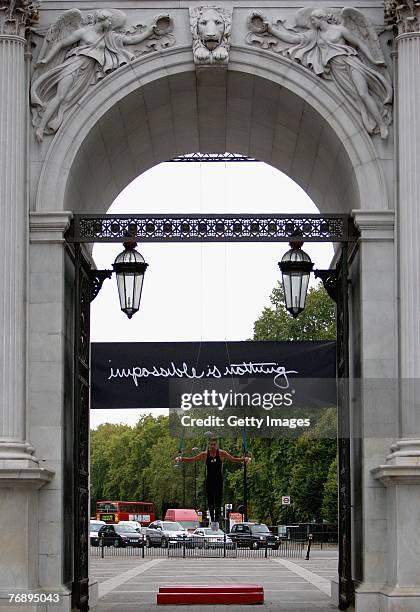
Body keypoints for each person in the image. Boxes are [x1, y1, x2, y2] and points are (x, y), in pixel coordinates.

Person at [264, 8, 392, 138]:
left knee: (363, 93)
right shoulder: (315, 35)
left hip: (350, 61)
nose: (312, 22)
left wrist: (373, 60)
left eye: (313, 19)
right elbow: (293, 39)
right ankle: (368, 121)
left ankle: (381, 124)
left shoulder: (340, 30)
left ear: (321, 18)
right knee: (356, 98)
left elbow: (358, 43)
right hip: (337, 69)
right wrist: (271, 30)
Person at [176, 438, 251, 530]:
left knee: (218, 501)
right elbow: (193, 459)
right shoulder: (205, 454)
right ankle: (213, 520)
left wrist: (244, 459)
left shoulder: (222, 453)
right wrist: (181, 458)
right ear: (209, 445)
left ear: (217, 445)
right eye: (211, 444)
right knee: (210, 501)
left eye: (214, 444)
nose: (212, 446)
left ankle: (217, 520)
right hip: (209, 480)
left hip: (218, 479)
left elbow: (234, 459)